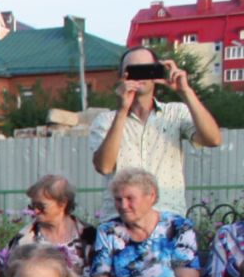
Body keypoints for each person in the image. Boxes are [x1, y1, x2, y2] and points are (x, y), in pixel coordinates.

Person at [90, 46, 223, 215]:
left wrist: (186, 92)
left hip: (167, 218)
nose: (140, 76)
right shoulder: (105, 121)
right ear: (121, 76)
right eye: (133, 70)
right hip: (120, 220)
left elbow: (213, 140)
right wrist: (122, 110)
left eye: (146, 69)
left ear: (156, 72)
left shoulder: (176, 113)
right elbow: (104, 166)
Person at [0, 174, 96, 277]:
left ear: (63, 203)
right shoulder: (24, 239)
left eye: (41, 206)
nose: (35, 211)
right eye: (32, 206)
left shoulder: (89, 235)